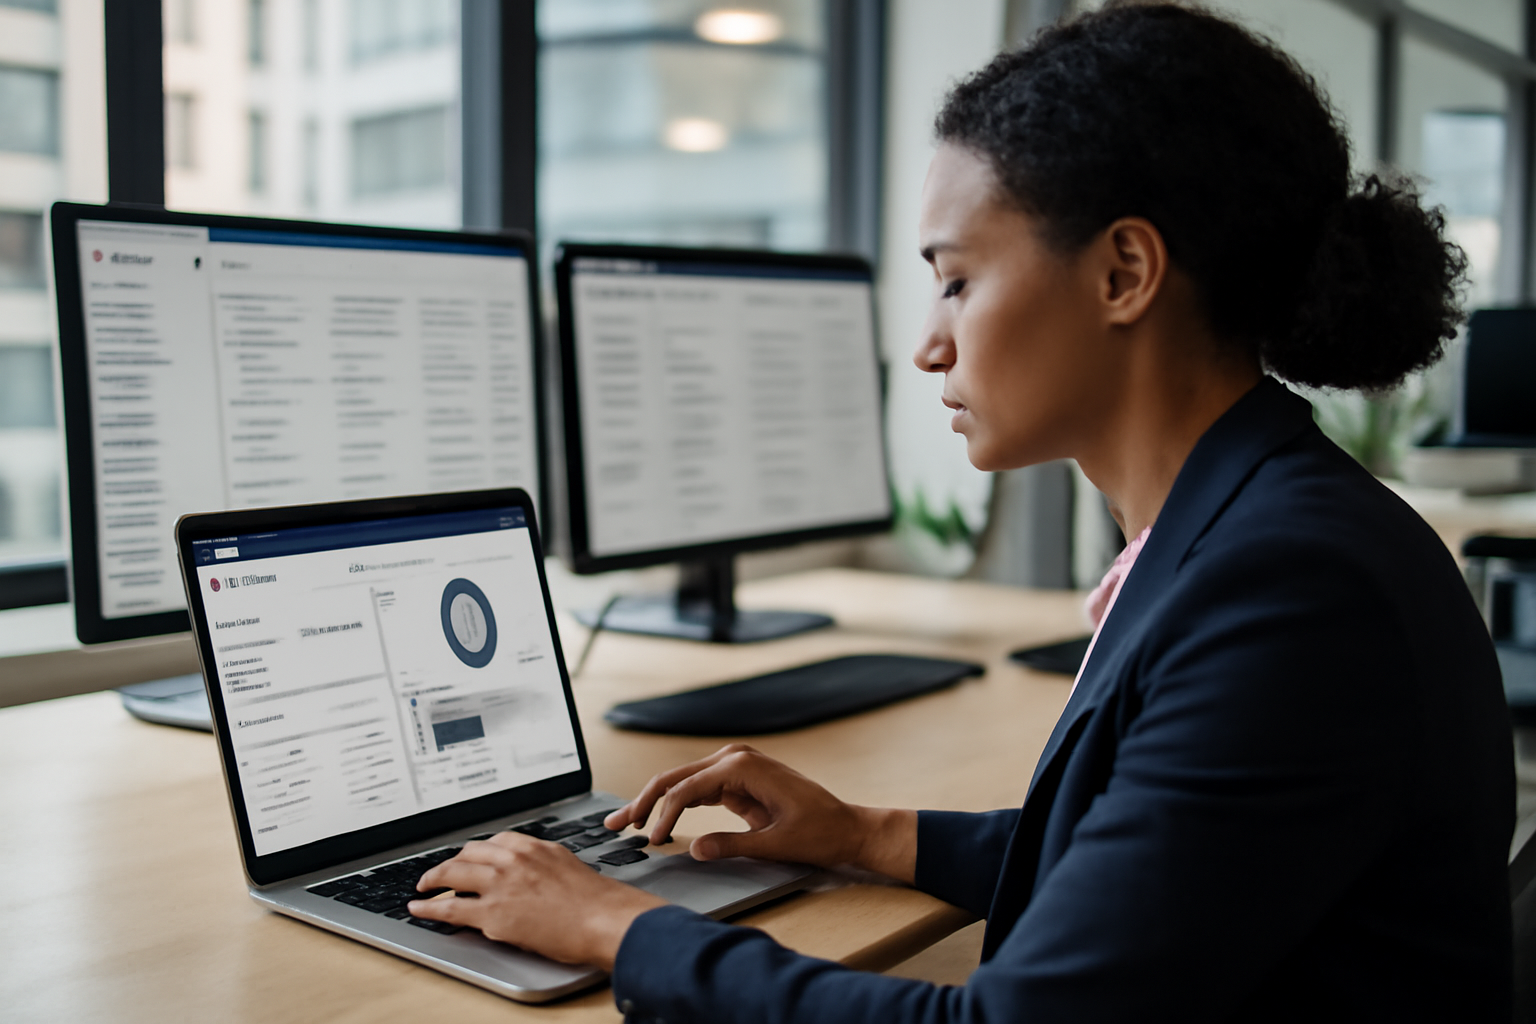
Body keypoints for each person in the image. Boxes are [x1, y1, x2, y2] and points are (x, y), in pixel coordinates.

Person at [409, 3, 1515, 1019]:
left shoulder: (1286, 594)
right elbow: (1149, 863)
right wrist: (863, 833)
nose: (931, 343)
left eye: (957, 279)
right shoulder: (1254, 529)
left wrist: (617, 923)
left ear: (1124, 271)